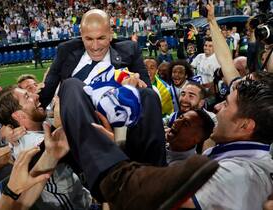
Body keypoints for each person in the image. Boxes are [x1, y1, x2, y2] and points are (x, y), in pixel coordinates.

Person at [56, 78, 219, 209]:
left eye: (187, 124)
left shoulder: (186, 169)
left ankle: (121, 181)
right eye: (181, 119)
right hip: (129, 173)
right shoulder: (162, 136)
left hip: (127, 180)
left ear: (198, 139)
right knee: (71, 85)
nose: (178, 122)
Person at [179, 78, 273, 210]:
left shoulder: (231, 173)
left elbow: (158, 201)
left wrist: (177, 153)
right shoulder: (258, 163)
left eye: (226, 104)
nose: (217, 107)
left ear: (244, 125)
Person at [0, 86, 92, 209]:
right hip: (72, 205)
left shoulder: (31, 130)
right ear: (19, 116)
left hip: (80, 195)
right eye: (27, 97)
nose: (36, 96)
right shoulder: (33, 145)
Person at [39, 9, 151, 108]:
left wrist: (134, 86)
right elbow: (45, 94)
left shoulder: (130, 51)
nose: (95, 46)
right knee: (72, 84)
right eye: (89, 39)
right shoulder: (66, 51)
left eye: (101, 38)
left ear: (111, 34)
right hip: (75, 118)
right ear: (81, 35)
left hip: (118, 118)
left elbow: (148, 94)